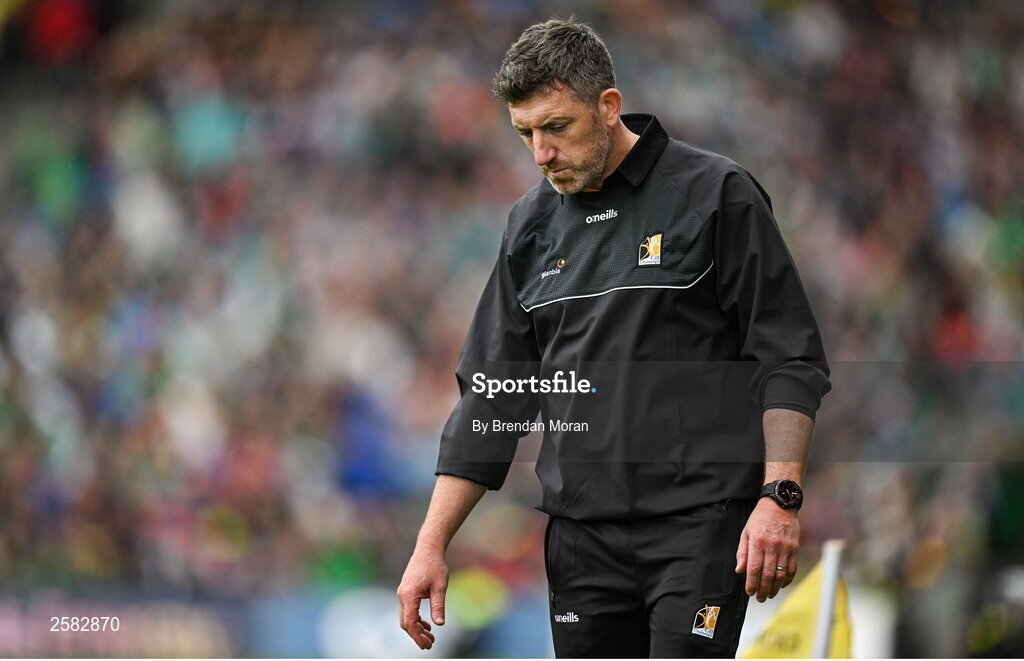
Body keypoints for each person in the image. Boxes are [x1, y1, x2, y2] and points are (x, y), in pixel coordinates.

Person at [397, 17, 831, 658]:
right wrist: (429, 544)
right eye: (525, 135)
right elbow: (493, 396)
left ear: (607, 107)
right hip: (580, 541)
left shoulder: (715, 194)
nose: (541, 153)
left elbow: (789, 356)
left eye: (556, 128)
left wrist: (780, 496)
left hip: (700, 527)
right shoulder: (529, 226)